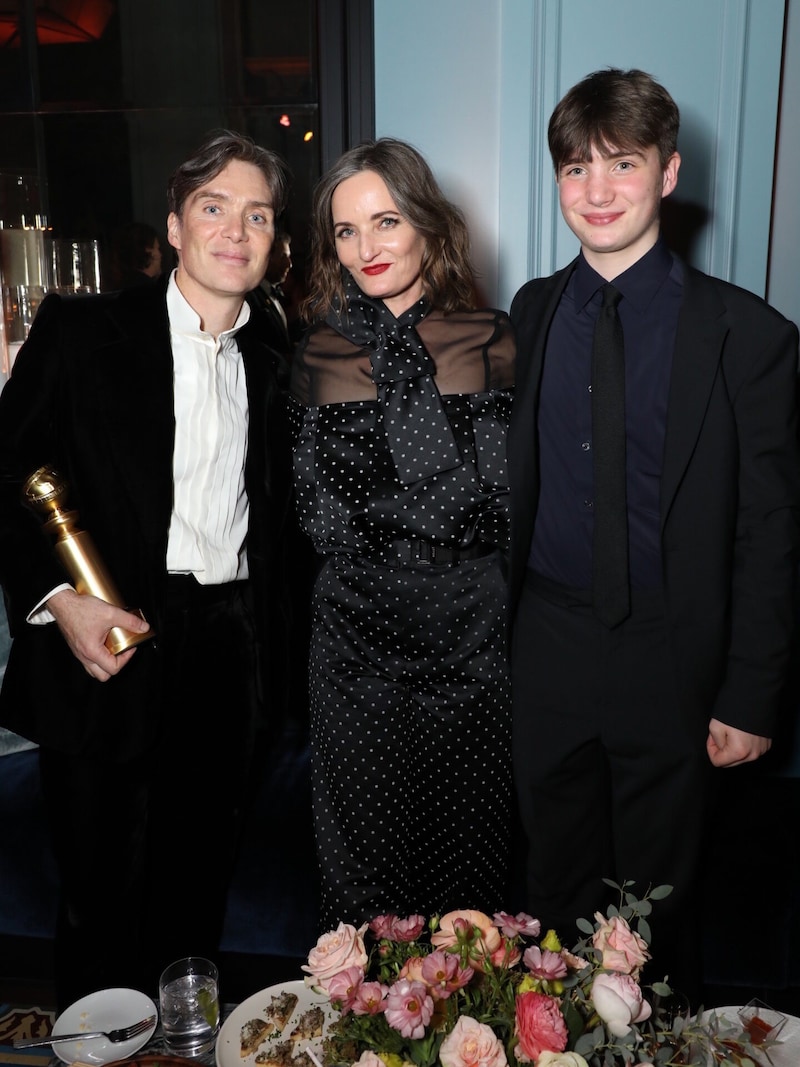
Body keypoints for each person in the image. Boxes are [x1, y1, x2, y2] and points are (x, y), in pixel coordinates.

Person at [507, 68, 800, 1004]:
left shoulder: (748, 336)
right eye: (576, 168)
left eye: (621, 164)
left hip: (671, 658)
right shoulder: (530, 311)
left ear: (668, 173)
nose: (596, 191)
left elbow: (771, 528)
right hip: (544, 646)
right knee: (549, 893)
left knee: (657, 913)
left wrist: (752, 694)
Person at [0, 130, 294, 1006]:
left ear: (275, 242)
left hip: (227, 655)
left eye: (258, 215)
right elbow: (6, 472)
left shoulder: (287, 361)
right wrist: (60, 599)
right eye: (214, 208)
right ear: (175, 225)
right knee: (99, 905)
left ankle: (180, 1051)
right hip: (106, 638)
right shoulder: (82, 331)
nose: (235, 231)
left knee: (192, 901)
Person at [290, 137, 515, 929]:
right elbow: (315, 514)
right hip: (355, 633)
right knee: (364, 869)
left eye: (386, 221)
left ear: (427, 222)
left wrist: (380, 511)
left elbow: (500, 503)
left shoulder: (492, 336)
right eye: (346, 231)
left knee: (473, 865)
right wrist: (431, 511)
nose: (366, 248)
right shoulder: (319, 349)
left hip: (472, 628)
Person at [250, 228, 293, 356]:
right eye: (283, 256)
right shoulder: (251, 298)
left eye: (289, 257)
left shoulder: (274, 294)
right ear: (266, 257)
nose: (289, 264)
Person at [108, 220, 164, 288]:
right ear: (148, 251)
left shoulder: (118, 287)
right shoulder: (150, 290)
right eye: (157, 248)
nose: (160, 255)